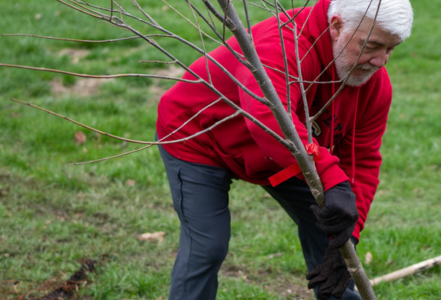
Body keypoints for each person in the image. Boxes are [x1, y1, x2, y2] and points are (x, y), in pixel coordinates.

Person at [155, 0, 413, 299]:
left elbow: (362, 161)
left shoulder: (373, 85)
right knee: (207, 245)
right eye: (372, 45)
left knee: (334, 239)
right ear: (337, 26)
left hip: (288, 154)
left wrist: (348, 236)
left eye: (390, 50)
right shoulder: (280, 45)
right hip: (200, 135)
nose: (380, 61)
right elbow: (271, 124)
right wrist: (331, 176)